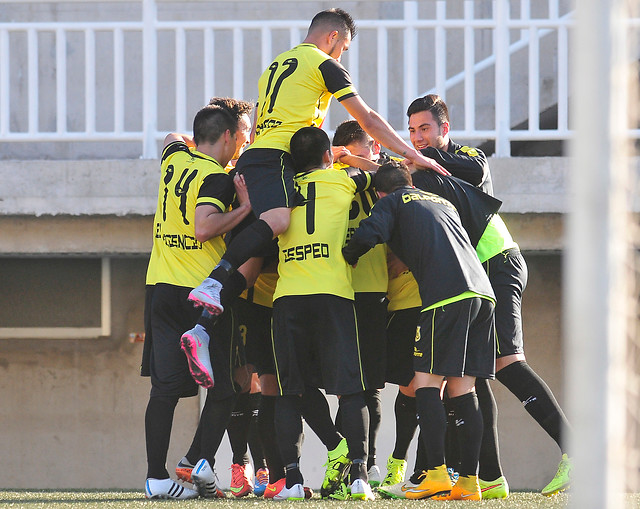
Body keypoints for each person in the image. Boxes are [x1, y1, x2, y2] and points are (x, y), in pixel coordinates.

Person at [185, 8, 448, 339]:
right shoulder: (324, 64)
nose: (343, 56)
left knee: (253, 260)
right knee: (279, 220)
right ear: (333, 37)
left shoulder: (273, 66)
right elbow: (367, 118)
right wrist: (410, 154)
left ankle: (201, 329)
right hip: (277, 158)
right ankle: (214, 280)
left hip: (259, 159)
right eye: (344, 48)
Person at [407, 94, 572, 497]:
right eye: (411, 131)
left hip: (497, 263)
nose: (418, 138)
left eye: (424, 128)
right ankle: (490, 477)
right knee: (473, 372)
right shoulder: (423, 172)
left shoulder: (463, 157)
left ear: (444, 128)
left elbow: (477, 166)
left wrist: (421, 161)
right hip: (473, 278)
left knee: (507, 363)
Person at [343, 160, 497, 501]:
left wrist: (348, 254)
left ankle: (437, 474)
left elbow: (369, 233)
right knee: (464, 388)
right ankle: (469, 484)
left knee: (425, 383)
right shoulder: (439, 200)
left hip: (446, 297)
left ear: (381, 191)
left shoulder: (391, 201)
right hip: (483, 295)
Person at [141, 102, 252, 499]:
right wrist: (244, 208)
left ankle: (157, 477)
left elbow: (171, 136)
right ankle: (195, 464)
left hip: (161, 287)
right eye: (239, 136)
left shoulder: (174, 158)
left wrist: (192, 139)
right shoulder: (217, 178)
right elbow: (204, 228)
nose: (241, 143)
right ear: (226, 136)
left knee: (164, 390)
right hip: (201, 296)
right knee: (224, 390)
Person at [269, 126, 377, 501]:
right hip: (333, 294)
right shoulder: (343, 181)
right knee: (350, 388)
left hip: (288, 297)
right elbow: (384, 169)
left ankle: (294, 481)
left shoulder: (282, 187)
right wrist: (348, 158)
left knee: (289, 391)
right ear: (328, 155)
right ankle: (361, 475)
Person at [331, 120, 387, 487]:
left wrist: (363, 162)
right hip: (340, 291)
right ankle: (351, 468)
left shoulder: (384, 176)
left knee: (371, 388)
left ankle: (367, 465)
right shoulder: (332, 174)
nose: (356, 158)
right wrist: (349, 161)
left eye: (364, 149)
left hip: (375, 290)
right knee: (349, 388)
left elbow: (397, 179)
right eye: (348, 151)